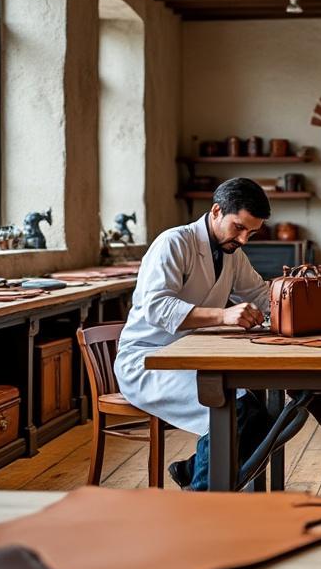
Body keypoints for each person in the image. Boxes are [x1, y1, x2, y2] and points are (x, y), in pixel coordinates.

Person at [114, 177, 274, 491]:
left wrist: (296, 302)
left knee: (262, 415)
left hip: (193, 357)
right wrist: (224, 315)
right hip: (150, 360)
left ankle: (191, 470)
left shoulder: (232, 253)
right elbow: (156, 307)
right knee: (237, 407)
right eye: (239, 228)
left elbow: (260, 295)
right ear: (216, 211)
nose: (244, 240)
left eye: (251, 233)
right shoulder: (173, 242)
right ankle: (199, 497)